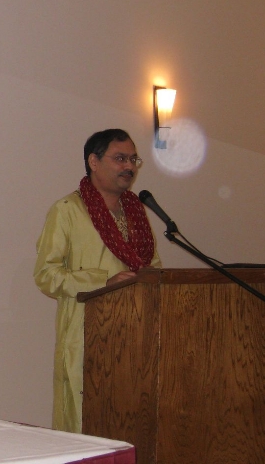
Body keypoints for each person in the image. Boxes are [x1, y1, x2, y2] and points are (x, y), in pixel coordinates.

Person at [34, 128, 161, 432]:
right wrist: (103, 282)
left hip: (135, 334)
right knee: (86, 427)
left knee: (131, 423)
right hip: (87, 335)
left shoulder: (136, 213)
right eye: (120, 158)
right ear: (94, 161)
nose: (129, 167)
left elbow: (152, 269)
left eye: (133, 159)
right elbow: (46, 275)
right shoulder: (67, 211)